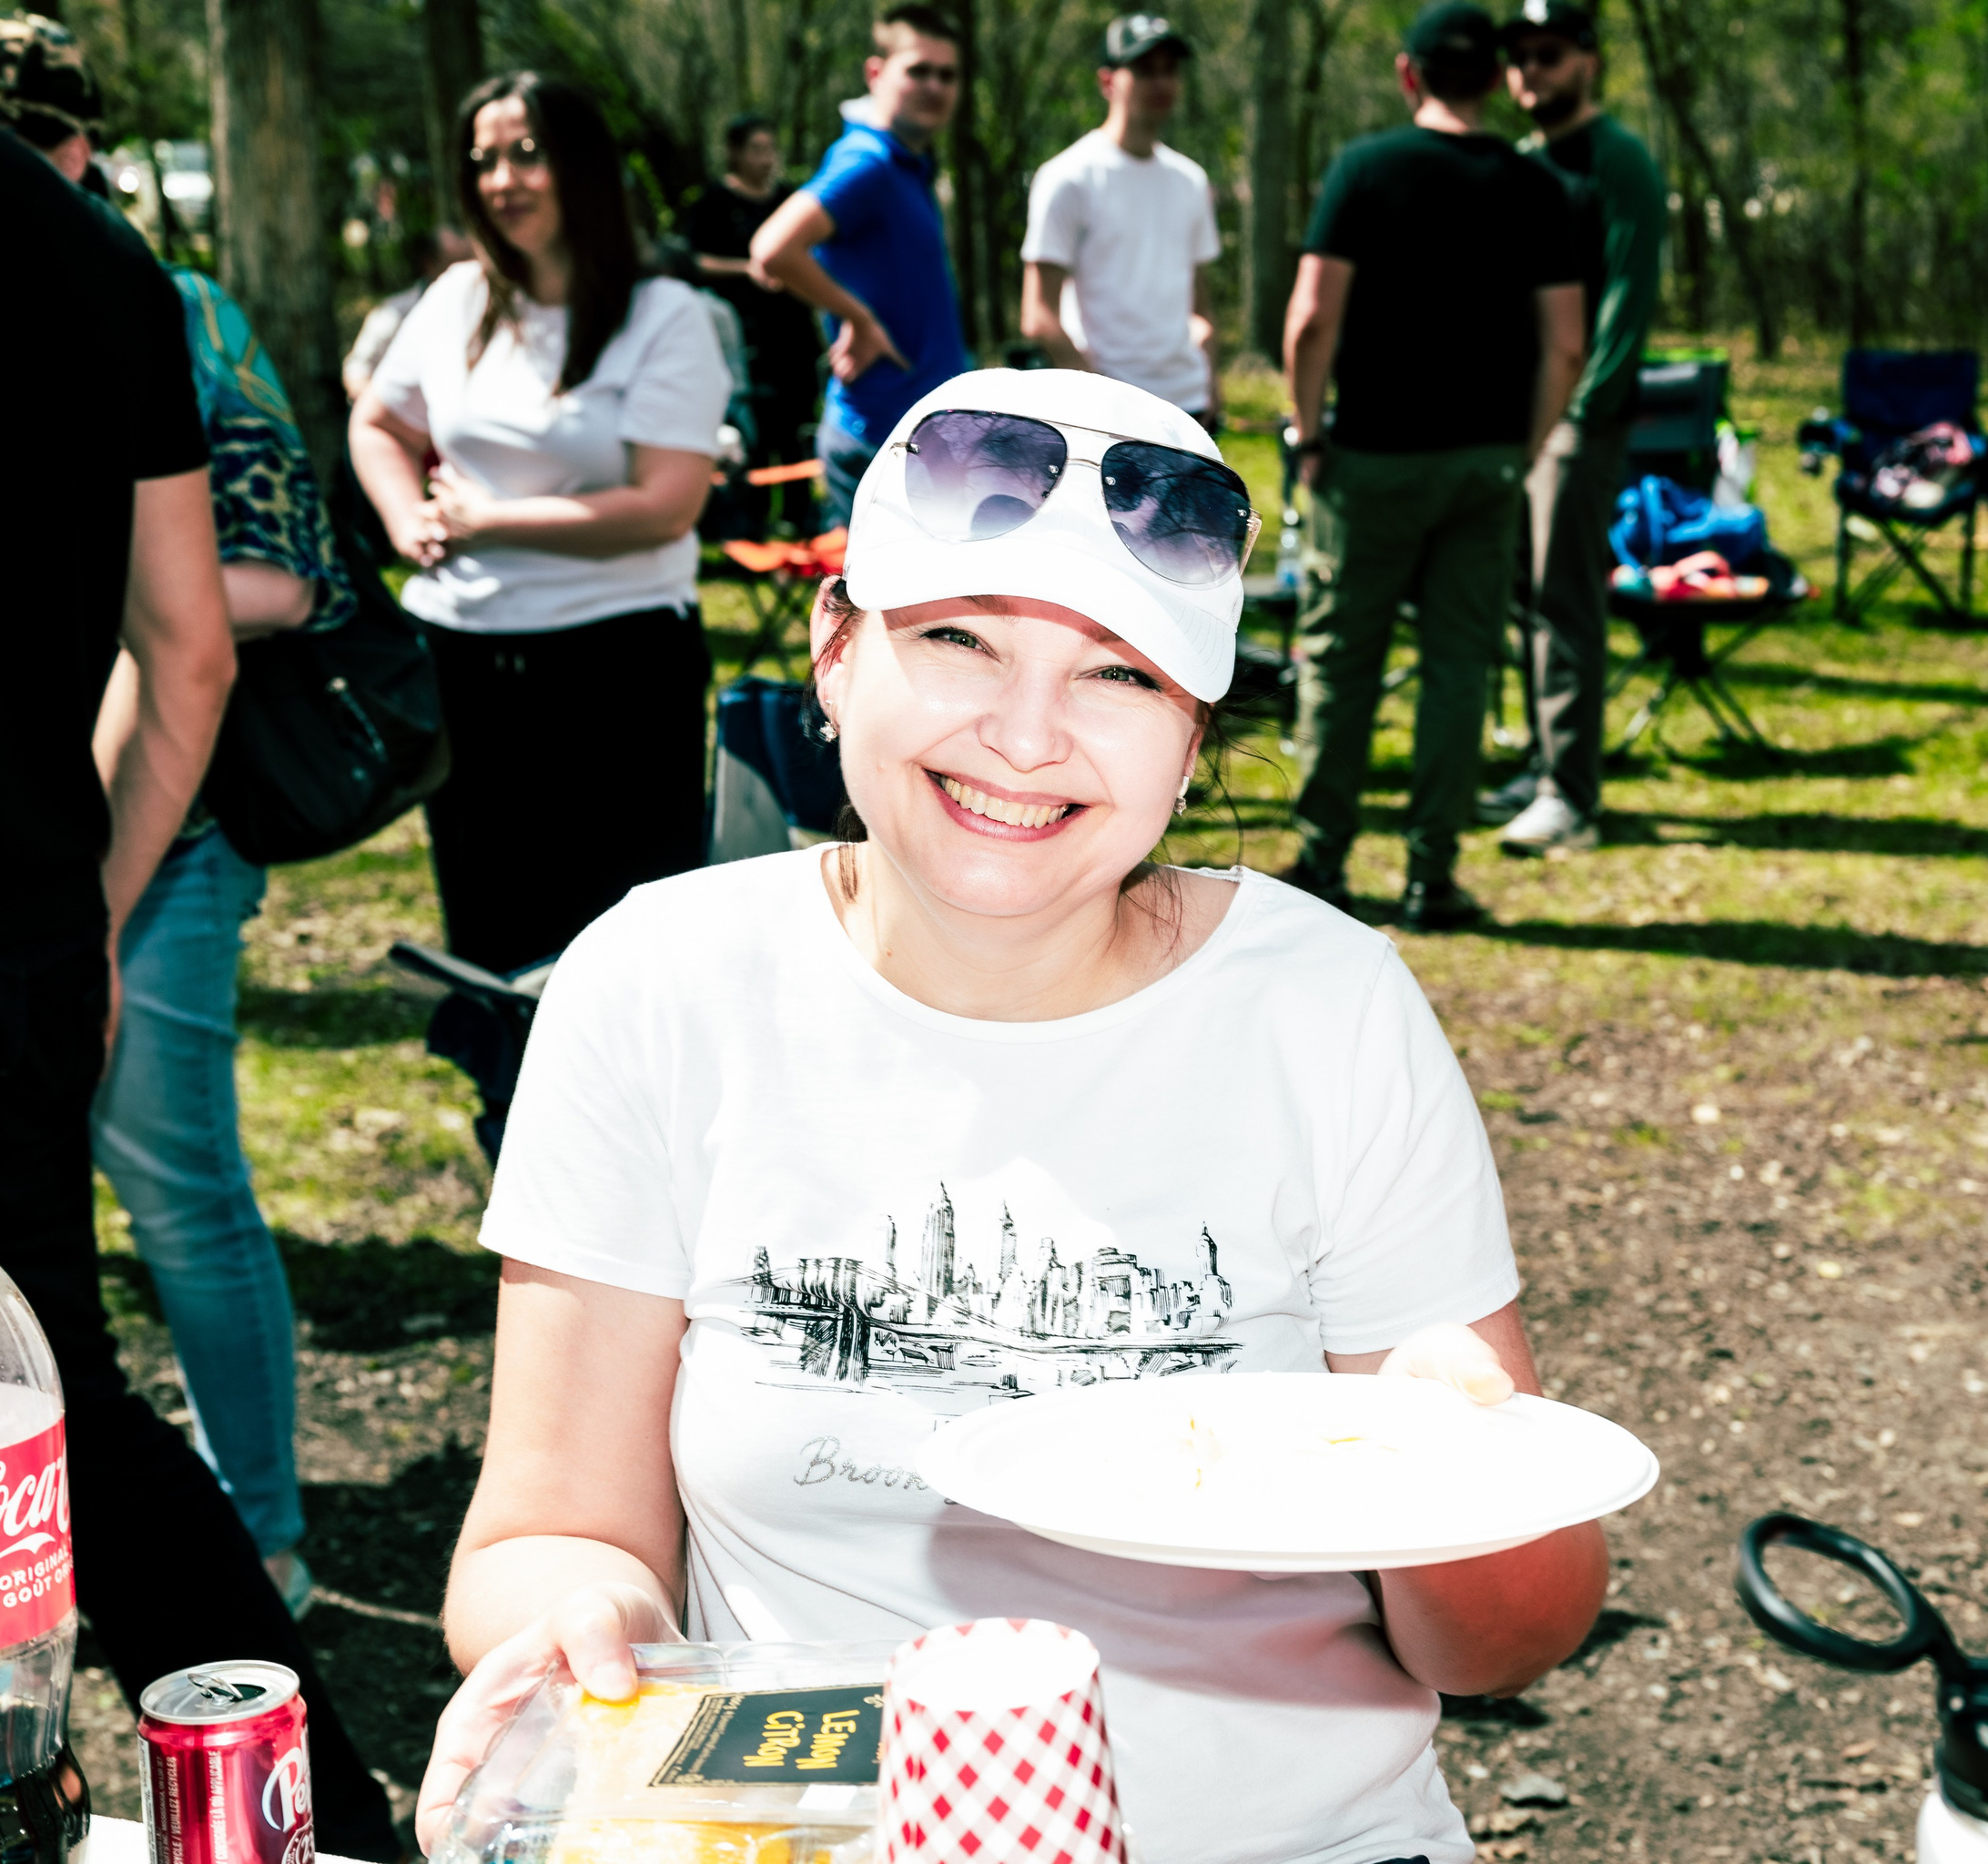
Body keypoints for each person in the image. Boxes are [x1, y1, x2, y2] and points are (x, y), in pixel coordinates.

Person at [410, 365, 1608, 1864]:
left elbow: (1510, 1641)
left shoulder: (1329, 1008)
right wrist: (578, 1623)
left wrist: (1452, 1474)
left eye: (1118, 673)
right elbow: (549, 1530)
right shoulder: (660, 983)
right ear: (835, 651)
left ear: (1194, 734)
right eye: (962, 639)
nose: (1028, 735)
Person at [0, 24, 401, 1858]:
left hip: (8, 941)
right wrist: (104, 897)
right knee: (45, 1390)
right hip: (14, 942)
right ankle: (324, 1816)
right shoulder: (95, 255)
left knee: (36, 1401)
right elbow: (192, 650)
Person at [91, 262, 359, 1622]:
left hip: (168, 826)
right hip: (6, 837)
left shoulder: (173, 310)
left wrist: (120, 589)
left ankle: (259, 1540)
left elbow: (286, 578)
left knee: (180, 1197)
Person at [349, 72, 733, 976]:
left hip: (618, 669)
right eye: (482, 160)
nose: (501, 180)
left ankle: (628, 1118)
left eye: (528, 154)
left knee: (625, 948)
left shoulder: (664, 316)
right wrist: (409, 517)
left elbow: (664, 506)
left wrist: (491, 519)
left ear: (583, 167)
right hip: (466, 663)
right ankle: (504, 1111)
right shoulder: (454, 300)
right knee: (492, 930)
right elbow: (378, 422)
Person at [1279, 1, 1584, 930]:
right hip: (1483, 467)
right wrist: (1522, 450)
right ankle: (1430, 875)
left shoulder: (1365, 170)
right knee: (1457, 669)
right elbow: (1565, 346)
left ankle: (1325, 861)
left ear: (1409, 75)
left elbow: (1311, 320)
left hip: (1367, 459)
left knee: (1342, 660)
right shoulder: (1537, 189)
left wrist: (1306, 431)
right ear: (1493, 79)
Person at [1482, 0, 1663, 856]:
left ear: (1587, 59)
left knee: (1565, 601)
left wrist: (1583, 414)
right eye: (1518, 56)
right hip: (1509, 418)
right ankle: (1542, 760)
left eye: (1548, 54)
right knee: (1520, 595)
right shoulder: (1521, 164)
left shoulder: (1618, 161)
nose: (1529, 71)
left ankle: (1572, 797)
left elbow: (1627, 296)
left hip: (1578, 421)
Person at [750, 5, 970, 528]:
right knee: (880, 610)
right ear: (876, 74)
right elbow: (772, 250)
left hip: (920, 437)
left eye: (948, 74)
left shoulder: (908, 164)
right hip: (882, 439)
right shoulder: (867, 161)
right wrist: (859, 318)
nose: (935, 86)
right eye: (918, 70)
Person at [1019, 14, 1221, 424]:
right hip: (1109, 414)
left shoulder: (1191, 181)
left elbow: (1200, 304)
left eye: (1170, 70)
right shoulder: (1067, 177)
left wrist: (1211, 378)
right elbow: (1038, 316)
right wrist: (1097, 398)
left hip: (1188, 406)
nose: (1161, 83)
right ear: (1108, 81)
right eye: (1144, 70)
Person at [676, 114, 827, 536]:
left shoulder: (788, 198)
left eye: (771, 149)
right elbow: (693, 261)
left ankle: (800, 523)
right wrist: (748, 268)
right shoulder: (713, 203)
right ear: (736, 153)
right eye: (757, 149)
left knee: (796, 430)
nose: (767, 159)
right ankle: (751, 527)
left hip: (793, 338)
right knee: (755, 435)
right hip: (743, 340)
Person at [343, 223, 477, 402]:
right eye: (457, 263)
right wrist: (380, 414)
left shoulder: (487, 310)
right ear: (429, 264)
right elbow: (357, 370)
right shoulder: (396, 313)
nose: (469, 272)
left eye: (472, 262)